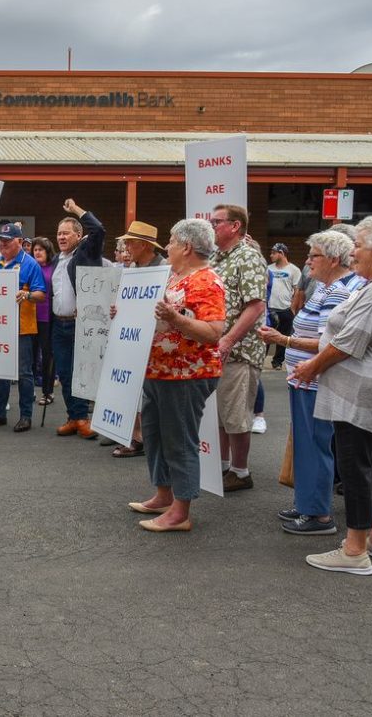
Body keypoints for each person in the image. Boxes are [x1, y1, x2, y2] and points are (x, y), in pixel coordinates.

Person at [290, 216, 372, 575]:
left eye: (359, 246)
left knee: (355, 466)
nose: (352, 253)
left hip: (363, 389)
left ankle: (354, 549)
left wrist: (311, 366)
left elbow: (348, 342)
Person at [260, 230, 362, 535]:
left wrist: (284, 339)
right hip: (304, 378)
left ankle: (317, 513)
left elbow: (326, 342)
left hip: (316, 380)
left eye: (313, 255)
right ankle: (307, 502)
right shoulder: (325, 286)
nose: (307, 262)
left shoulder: (340, 291)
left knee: (314, 444)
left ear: (332, 259)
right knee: (306, 444)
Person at [128, 219, 225, 532]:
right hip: (159, 371)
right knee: (155, 436)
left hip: (186, 374)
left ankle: (180, 511)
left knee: (179, 440)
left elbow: (213, 333)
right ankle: (163, 494)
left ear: (186, 247)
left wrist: (174, 317)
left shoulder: (206, 282)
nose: (166, 247)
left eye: (170, 241)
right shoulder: (171, 276)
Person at [208, 204, 268, 492]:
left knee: (236, 414)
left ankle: (241, 472)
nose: (212, 226)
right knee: (221, 413)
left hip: (240, 350)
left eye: (217, 222)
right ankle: (221, 465)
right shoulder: (216, 258)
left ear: (235, 226)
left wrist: (228, 340)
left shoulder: (248, 257)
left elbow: (255, 305)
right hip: (218, 348)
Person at [104, 220, 167, 455]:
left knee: (152, 393)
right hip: (134, 339)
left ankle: (148, 438)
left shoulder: (164, 268)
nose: (126, 246)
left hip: (156, 342)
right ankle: (137, 436)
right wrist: (118, 311)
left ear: (143, 245)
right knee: (133, 389)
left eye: (130, 242)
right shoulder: (132, 269)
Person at [0, 223, 46, 433]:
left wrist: (26, 295)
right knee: (0, 371)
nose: (3, 244)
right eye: (1, 240)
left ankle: (25, 415)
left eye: (7, 241)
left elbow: (41, 294)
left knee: (24, 373)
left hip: (21, 328)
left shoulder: (30, 264)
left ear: (19, 241)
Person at [50, 199, 107, 439]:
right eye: (59, 233)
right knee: (64, 373)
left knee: (81, 372)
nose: (61, 237)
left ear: (78, 235)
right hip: (58, 324)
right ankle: (73, 417)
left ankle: (83, 417)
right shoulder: (57, 260)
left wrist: (75, 210)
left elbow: (99, 229)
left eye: (66, 233)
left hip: (80, 324)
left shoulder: (86, 252)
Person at [30, 237, 57, 407]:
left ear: (48, 252)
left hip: (48, 317)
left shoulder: (54, 268)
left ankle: (48, 392)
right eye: (35, 249)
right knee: (31, 356)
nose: (37, 252)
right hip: (30, 317)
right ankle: (30, 389)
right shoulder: (31, 268)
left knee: (47, 355)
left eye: (41, 249)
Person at [267, 243, 302, 369]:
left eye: (274, 253)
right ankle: (261, 360)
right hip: (270, 308)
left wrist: (293, 308)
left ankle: (277, 362)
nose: (271, 255)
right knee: (266, 335)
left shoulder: (294, 270)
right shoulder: (269, 268)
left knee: (283, 337)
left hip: (285, 309)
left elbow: (297, 290)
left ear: (281, 253)